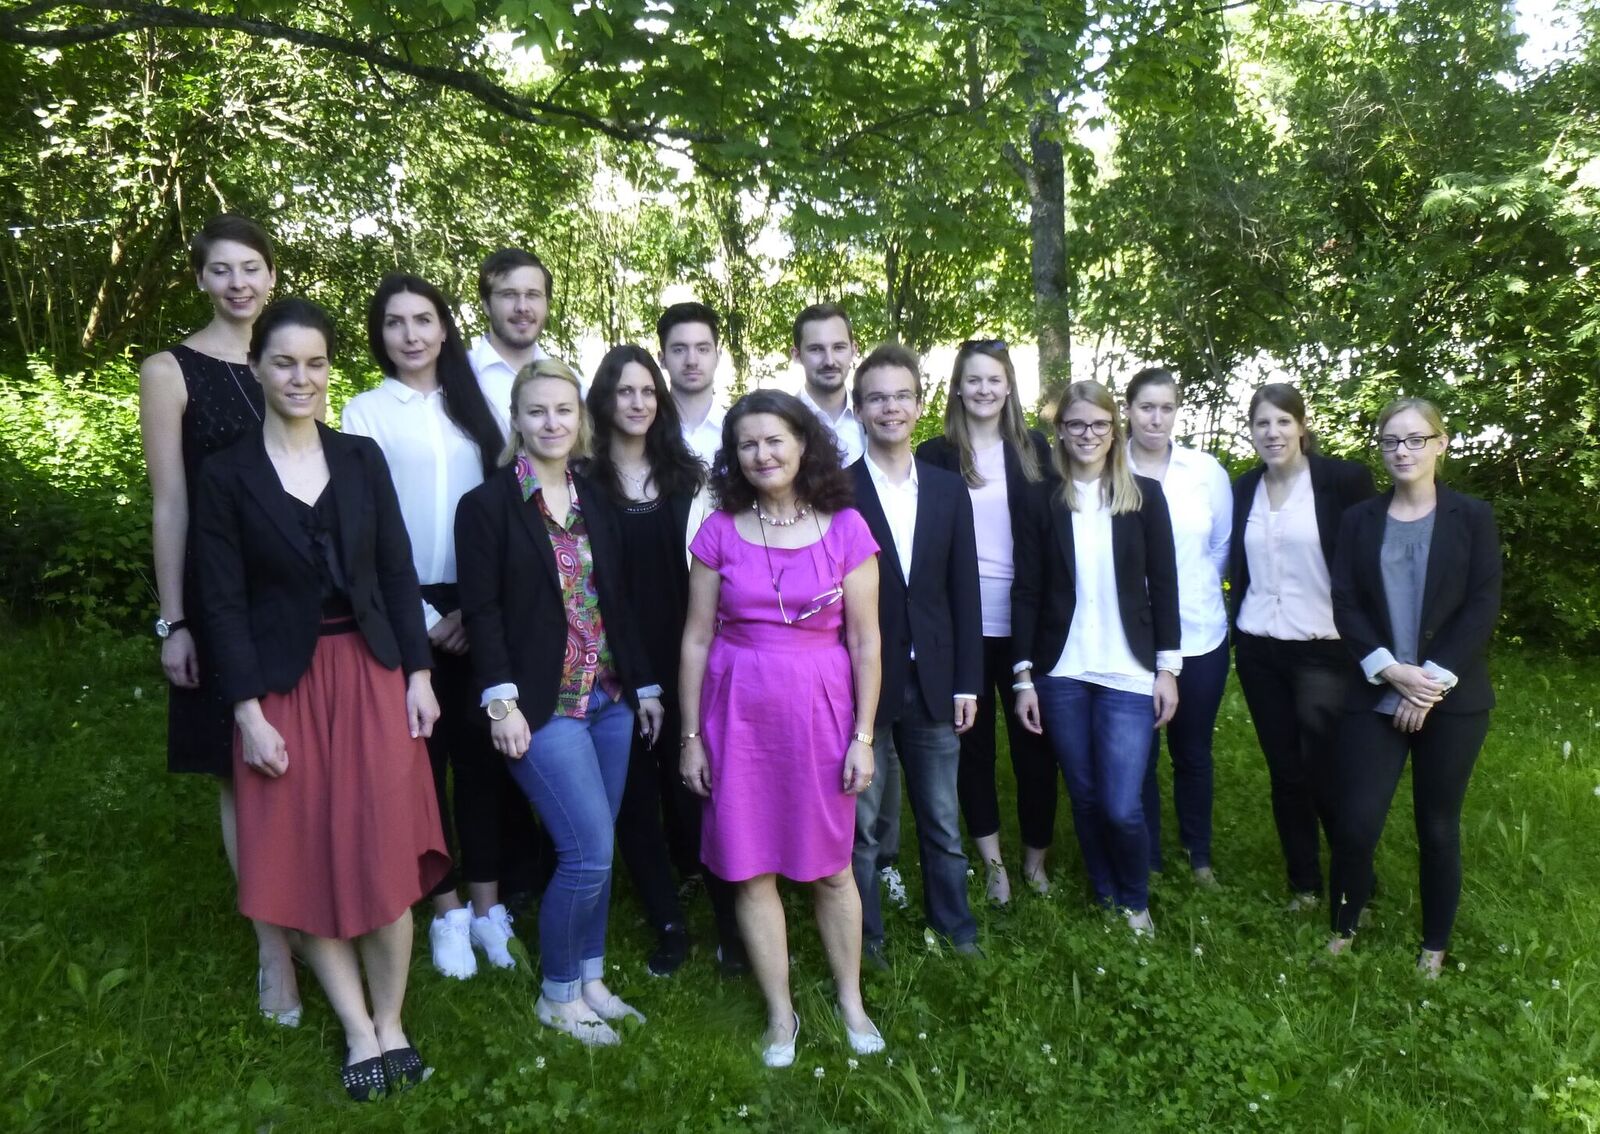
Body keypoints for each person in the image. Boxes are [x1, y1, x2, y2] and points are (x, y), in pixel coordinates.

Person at [193, 298, 450, 1100]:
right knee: (305, 856)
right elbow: (222, 601)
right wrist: (245, 710)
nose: (300, 378)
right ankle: (359, 1028)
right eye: (283, 363)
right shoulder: (225, 473)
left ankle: (395, 1019)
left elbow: (399, 571)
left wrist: (418, 672)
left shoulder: (362, 458)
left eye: (314, 363)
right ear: (258, 371)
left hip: (372, 674)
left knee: (382, 854)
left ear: (329, 369)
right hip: (283, 689)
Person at [455, 359, 664, 1046]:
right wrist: (499, 702)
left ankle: (590, 979)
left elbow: (621, 602)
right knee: (588, 849)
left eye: (564, 411)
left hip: (607, 698)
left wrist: (645, 687)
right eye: (537, 411)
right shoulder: (487, 506)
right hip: (542, 707)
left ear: (580, 420)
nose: (551, 423)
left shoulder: (593, 498)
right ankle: (556, 996)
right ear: (516, 418)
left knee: (594, 849)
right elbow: (482, 612)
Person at [678, 389, 884, 1067]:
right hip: (737, 716)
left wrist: (862, 737)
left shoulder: (847, 527)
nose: (762, 454)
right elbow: (697, 639)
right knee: (751, 870)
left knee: (831, 871)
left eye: (774, 440)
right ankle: (779, 1013)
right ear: (733, 457)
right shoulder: (718, 531)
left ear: (802, 444)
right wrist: (691, 735)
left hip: (822, 718)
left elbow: (865, 643)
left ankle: (851, 999)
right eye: (747, 444)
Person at [341, 273, 533, 981]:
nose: (412, 334)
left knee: (483, 758)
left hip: (479, 599)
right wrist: (419, 618)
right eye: (396, 323)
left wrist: (471, 609)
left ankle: (488, 906)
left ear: (446, 328)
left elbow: (509, 512)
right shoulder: (364, 415)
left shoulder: (480, 409)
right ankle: (445, 905)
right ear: (380, 335)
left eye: (424, 319)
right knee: (423, 765)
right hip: (401, 604)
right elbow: (356, 530)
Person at [137, 214, 301, 1026]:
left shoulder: (291, 358)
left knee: (293, 756)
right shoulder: (170, 370)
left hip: (294, 594)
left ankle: (305, 912)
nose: (239, 283)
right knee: (239, 771)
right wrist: (175, 622)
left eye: (253, 269)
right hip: (214, 592)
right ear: (201, 278)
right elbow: (170, 503)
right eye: (222, 270)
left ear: (271, 276)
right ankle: (272, 951)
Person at [584, 344, 745, 977]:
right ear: (605, 400)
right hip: (617, 657)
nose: (638, 402)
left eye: (648, 391)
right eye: (625, 391)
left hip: (692, 655)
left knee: (699, 791)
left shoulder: (692, 476)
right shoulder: (584, 483)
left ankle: (731, 920)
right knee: (633, 798)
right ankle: (669, 923)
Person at [1326, 398, 1501, 977]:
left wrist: (1428, 685)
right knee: (1355, 821)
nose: (1401, 450)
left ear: (1440, 444)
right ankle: (1346, 925)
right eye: (1390, 441)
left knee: (1437, 824)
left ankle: (1433, 946)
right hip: (1376, 690)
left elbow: (1482, 605)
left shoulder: (1471, 517)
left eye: (1414, 439)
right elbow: (1346, 603)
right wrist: (1392, 672)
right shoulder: (1359, 520)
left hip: (1451, 701)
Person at [1012, 380, 1181, 938]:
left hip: (1129, 671)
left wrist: (1168, 668)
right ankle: (1107, 895)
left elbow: (1166, 585)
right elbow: (1028, 590)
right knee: (1083, 794)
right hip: (1060, 672)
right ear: (1059, 431)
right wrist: (1023, 676)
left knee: (1120, 804)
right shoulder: (1041, 498)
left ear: (1116, 429)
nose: (1088, 435)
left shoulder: (1144, 497)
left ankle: (1135, 903)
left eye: (1099, 425)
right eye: (1076, 424)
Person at [847, 345, 982, 964]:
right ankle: (866, 938)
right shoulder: (838, 491)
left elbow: (964, 592)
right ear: (859, 408)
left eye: (901, 395)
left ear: (921, 404)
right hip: (862, 686)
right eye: (877, 397)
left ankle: (956, 930)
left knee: (942, 820)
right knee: (864, 827)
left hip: (934, 679)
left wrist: (967, 683)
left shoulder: (950, 491)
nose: (890, 407)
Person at [917, 338, 1058, 903]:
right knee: (971, 747)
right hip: (959, 626)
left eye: (993, 379)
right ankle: (994, 864)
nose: (983, 389)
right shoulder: (933, 455)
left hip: (1026, 620)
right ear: (957, 387)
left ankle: (1035, 862)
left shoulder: (1036, 451)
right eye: (972, 380)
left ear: (1008, 386)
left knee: (1035, 746)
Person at [1230, 383, 1376, 910]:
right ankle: (1304, 885)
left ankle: (1353, 876)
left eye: (1283, 422)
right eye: (1262, 424)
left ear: (1302, 426)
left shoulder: (1342, 481)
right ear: (1251, 432)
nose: (1272, 433)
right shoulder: (1243, 487)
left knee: (1324, 773)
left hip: (1324, 647)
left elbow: (1370, 560)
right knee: (1285, 772)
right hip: (1258, 648)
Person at [1123, 367, 1232, 887]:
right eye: (1146, 407)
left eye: (1166, 408)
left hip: (1200, 634)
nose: (1156, 418)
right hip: (1131, 640)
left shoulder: (1205, 471)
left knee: (1192, 749)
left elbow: (1220, 548)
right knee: (1139, 751)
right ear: (1127, 410)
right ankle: (1146, 856)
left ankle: (1199, 854)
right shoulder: (1108, 468)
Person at [468, 247, 553, 437]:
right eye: (509, 294)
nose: (522, 307)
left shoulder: (574, 386)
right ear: (486, 305)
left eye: (532, 295)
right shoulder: (454, 376)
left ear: (546, 304)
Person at [792, 302, 866, 467]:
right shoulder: (784, 421)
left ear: (853, 351)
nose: (829, 361)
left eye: (839, 347)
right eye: (816, 349)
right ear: (797, 355)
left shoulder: (872, 416)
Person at [656, 302, 725, 466]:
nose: (692, 361)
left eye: (702, 349)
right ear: (662, 359)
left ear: (718, 356)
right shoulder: (644, 429)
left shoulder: (737, 431)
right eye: (679, 349)